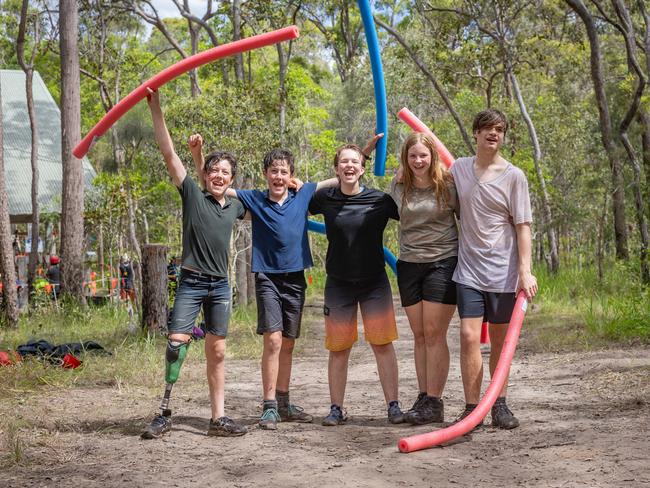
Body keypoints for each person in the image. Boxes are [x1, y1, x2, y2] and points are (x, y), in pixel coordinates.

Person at [189, 136, 322, 431]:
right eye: (273, 171)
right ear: (266, 174)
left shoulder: (303, 195)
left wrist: (362, 155)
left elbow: (332, 182)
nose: (278, 176)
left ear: (291, 176)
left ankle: (285, 402)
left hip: (295, 277)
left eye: (284, 171)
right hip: (267, 277)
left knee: (288, 342)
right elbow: (214, 183)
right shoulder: (254, 198)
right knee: (273, 340)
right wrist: (199, 157)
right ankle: (270, 405)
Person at [141, 88, 247, 439]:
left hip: (220, 286)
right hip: (192, 280)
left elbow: (272, 205)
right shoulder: (192, 194)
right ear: (205, 175)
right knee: (175, 344)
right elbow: (169, 154)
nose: (219, 176)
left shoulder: (235, 205)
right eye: (213, 171)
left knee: (217, 351)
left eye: (225, 172)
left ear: (232, 179)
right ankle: (164, 411)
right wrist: (157, 108)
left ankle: (218, 418)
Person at [451, 109, 538, 429]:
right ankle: (472, 407)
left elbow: (523, 226)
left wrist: (524, 271)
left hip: (504, 273)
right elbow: (428, 180)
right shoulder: (459, 168)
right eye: (487, 128)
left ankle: (499, 405)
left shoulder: (514, 176)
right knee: (468, 335)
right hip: (469, 271)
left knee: (500, 342)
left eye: (499, 129)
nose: (494, 133)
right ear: (475, 133)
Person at [308, 142, 405, 426]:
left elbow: (411, 212)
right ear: (336, 169)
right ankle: (337, 408)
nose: (349, 166)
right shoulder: (325, 198)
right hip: (339, 284)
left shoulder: (379, 200)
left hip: (374, 283)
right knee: (339, 348)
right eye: (343, 163)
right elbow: (298, 198)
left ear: (362, 169)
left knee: (382, 344)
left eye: (354, 163)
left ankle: (394, 406)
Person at [389, 132, 458, 425]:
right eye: (413, 156)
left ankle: (435, 400)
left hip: (442, 262)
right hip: (408, 264)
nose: (418, 161)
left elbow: (469, 218)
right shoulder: (399, 185)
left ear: (433, 156)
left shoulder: (448, 185)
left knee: (434, 333)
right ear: (406, 158)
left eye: (423, 155)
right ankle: (423, 395)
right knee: (418, 336)